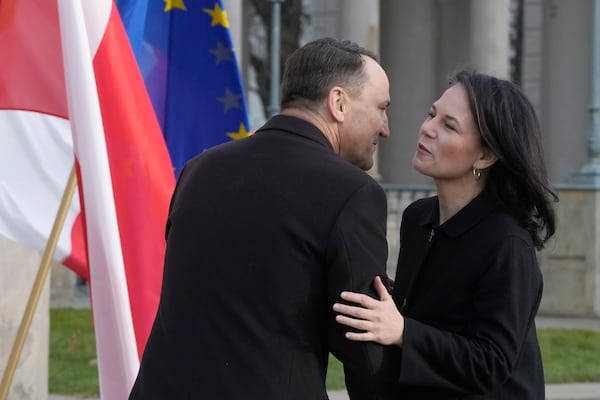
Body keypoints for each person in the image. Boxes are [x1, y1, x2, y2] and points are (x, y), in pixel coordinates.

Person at [129, 37, 393, 399]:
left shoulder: (199, 169)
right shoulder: (354, 192)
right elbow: (361, 341)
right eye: (381, 108)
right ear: (339, 103)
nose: (385, 127)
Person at [333, 70, 558, 399]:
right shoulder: (418, 218)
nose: (427, 129)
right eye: (431, 114)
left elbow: (490, 363)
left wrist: (403, 331)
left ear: (485, 156)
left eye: (448, 126)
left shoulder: (507, 244)